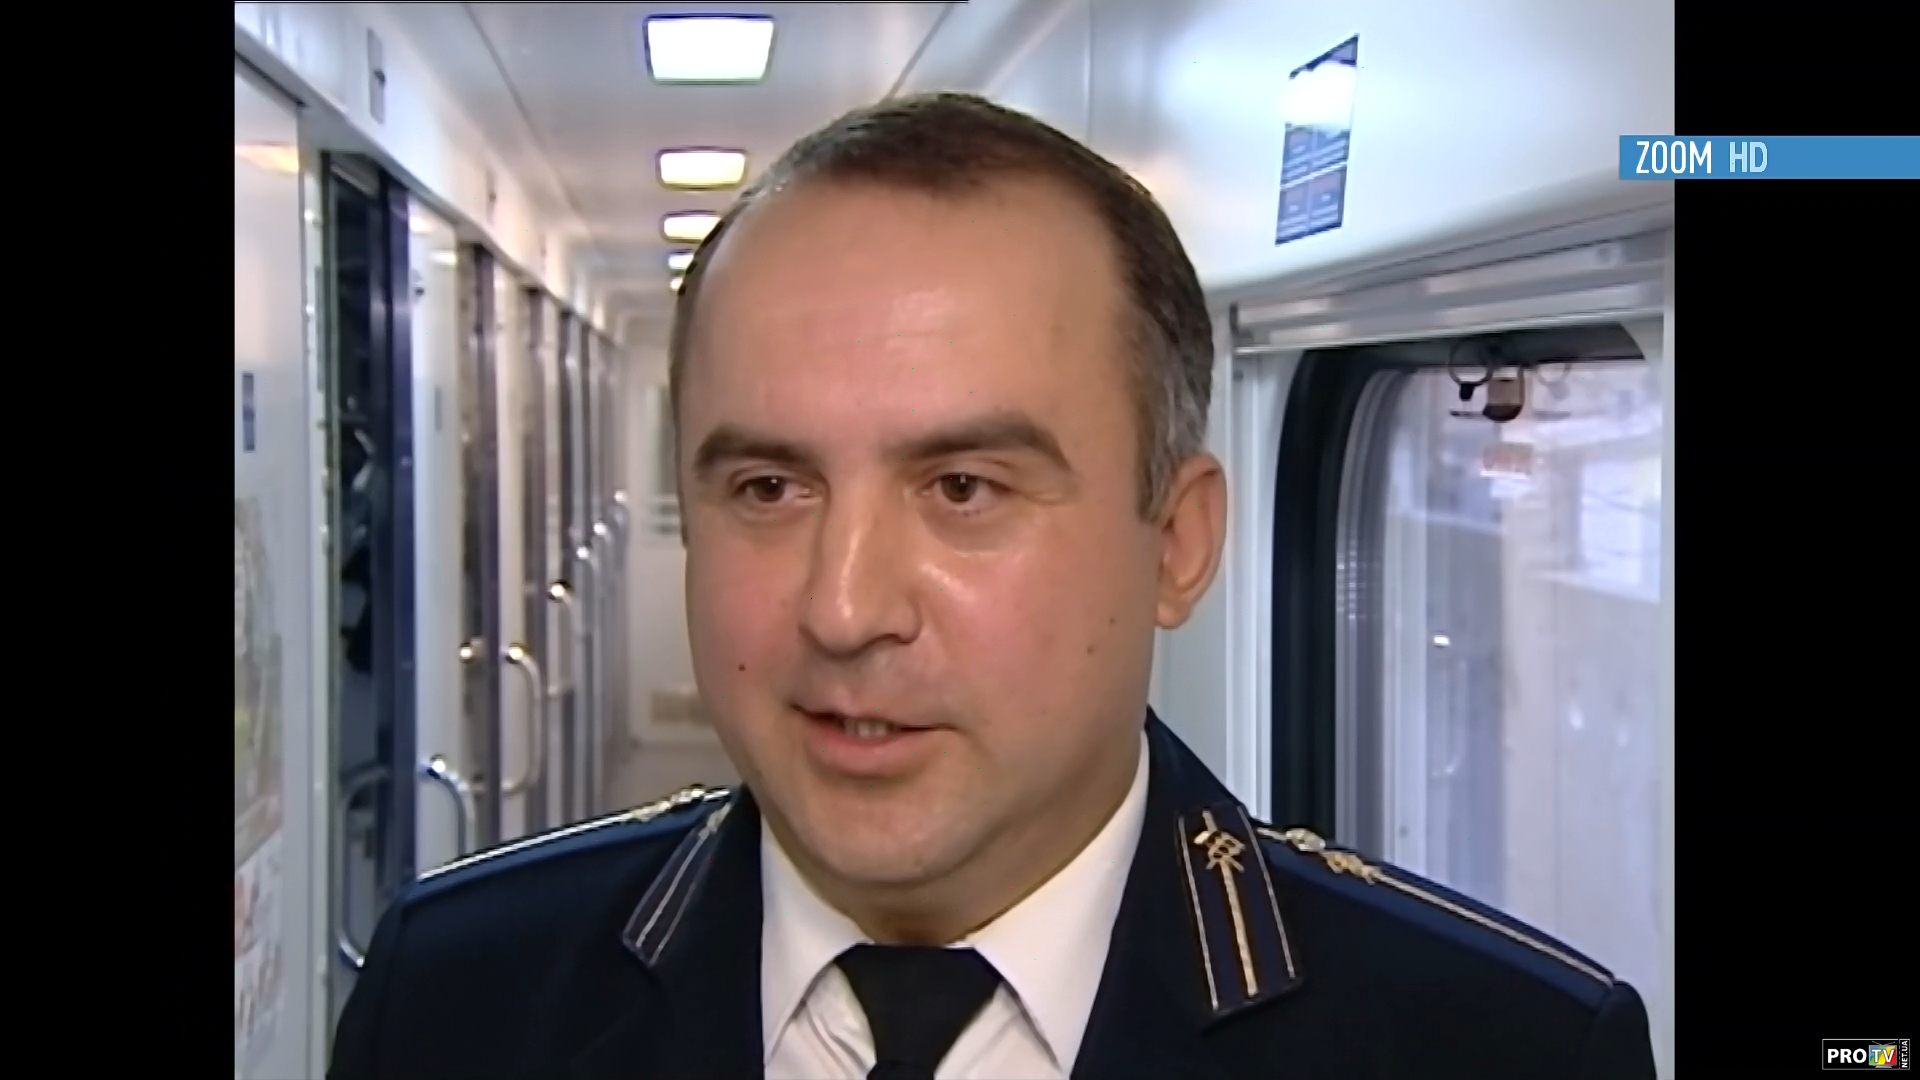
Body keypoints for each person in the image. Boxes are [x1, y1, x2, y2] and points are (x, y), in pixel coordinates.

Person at [329, 91, 1657, 1080]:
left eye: (963, 489)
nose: (845, 609)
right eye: (770, 488)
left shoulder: (1501, 1048)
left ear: (1177, 542)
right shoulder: (454, 1000)